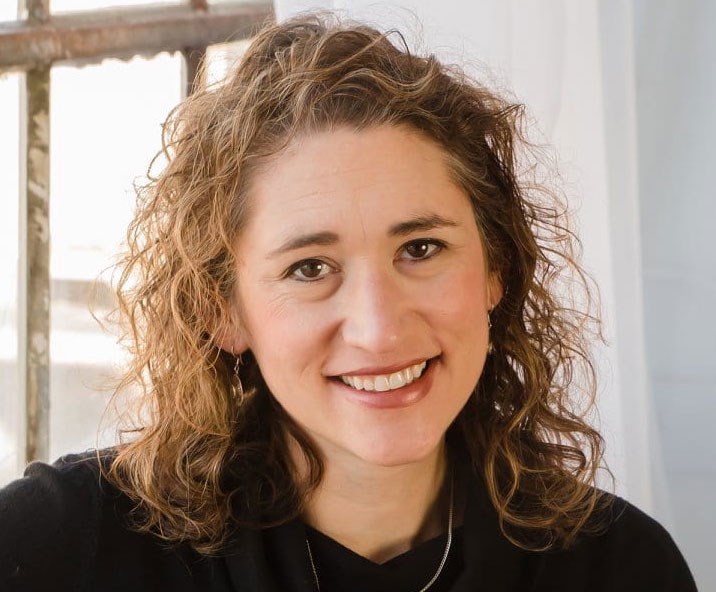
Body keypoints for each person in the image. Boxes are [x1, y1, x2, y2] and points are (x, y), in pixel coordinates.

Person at [0, 13, 698, 592]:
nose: (378, 326)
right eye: (310, 268)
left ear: (498, 268)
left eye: (420, 249)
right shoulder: (62, 548)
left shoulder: (620, 568)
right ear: (224, 311)